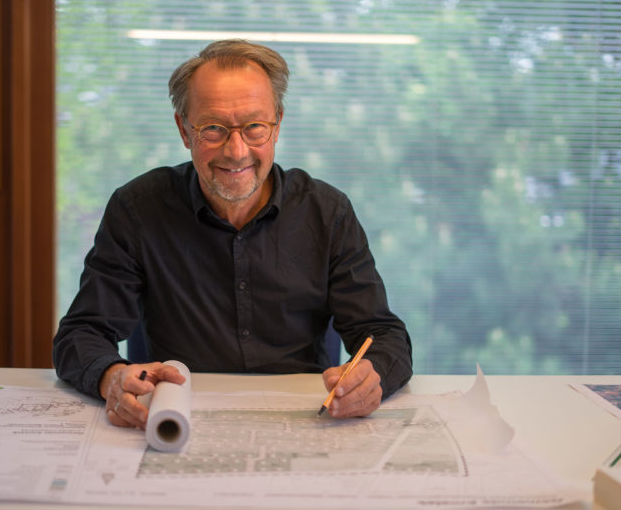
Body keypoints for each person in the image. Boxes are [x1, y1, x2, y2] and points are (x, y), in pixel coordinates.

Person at [53, 39, 412, 430]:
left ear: (277, 124)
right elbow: (82, 333)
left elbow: (383, 335)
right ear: (184, 130)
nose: (237, 151)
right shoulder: (138, 209)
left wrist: (372, 377)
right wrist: (111, 377)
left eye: (254, 127)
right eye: (213, 129)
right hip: (179, 419)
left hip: (306, 423)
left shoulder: (328, 212)